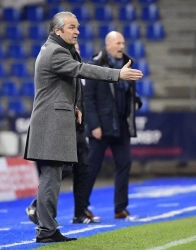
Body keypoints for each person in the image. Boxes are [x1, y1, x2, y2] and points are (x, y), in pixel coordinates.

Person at [23, 12, 142, 243]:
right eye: (72, 27)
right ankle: (46, 230)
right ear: (58, 31)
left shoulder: (61, 50)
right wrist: (118, 74)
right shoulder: (55, 52)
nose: (77, 31)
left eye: (77, 27)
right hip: (50, 124)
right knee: (51, 177)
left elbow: (72, 80)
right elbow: (83, 70)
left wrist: (76, 105)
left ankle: (47, 227)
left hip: (56, 122)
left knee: (55, 176)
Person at [25, 43, 100, 226]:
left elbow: (83, 99)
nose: (78, 51)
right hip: (61, 128)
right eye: (74, 48)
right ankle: (39, 207)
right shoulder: (61, 65)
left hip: (79, 128)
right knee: (61, 169)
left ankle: (80, 213)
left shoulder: (78, 69)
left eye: (79, 49)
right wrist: (118, 74)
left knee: (83, 169)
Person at [84, 31, 142, 219]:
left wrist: (136, 102)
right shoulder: (95, 64)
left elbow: (130, 92)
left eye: (123, 43)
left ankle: (120, 208)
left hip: (122, 123)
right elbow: (88, 98)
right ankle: (81, 207)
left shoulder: (128, 63)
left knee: (124, 163)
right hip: (101, 124)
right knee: (92, 167)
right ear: (107, 45)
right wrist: (93, 125)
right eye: (118, 43)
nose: (121, 46)